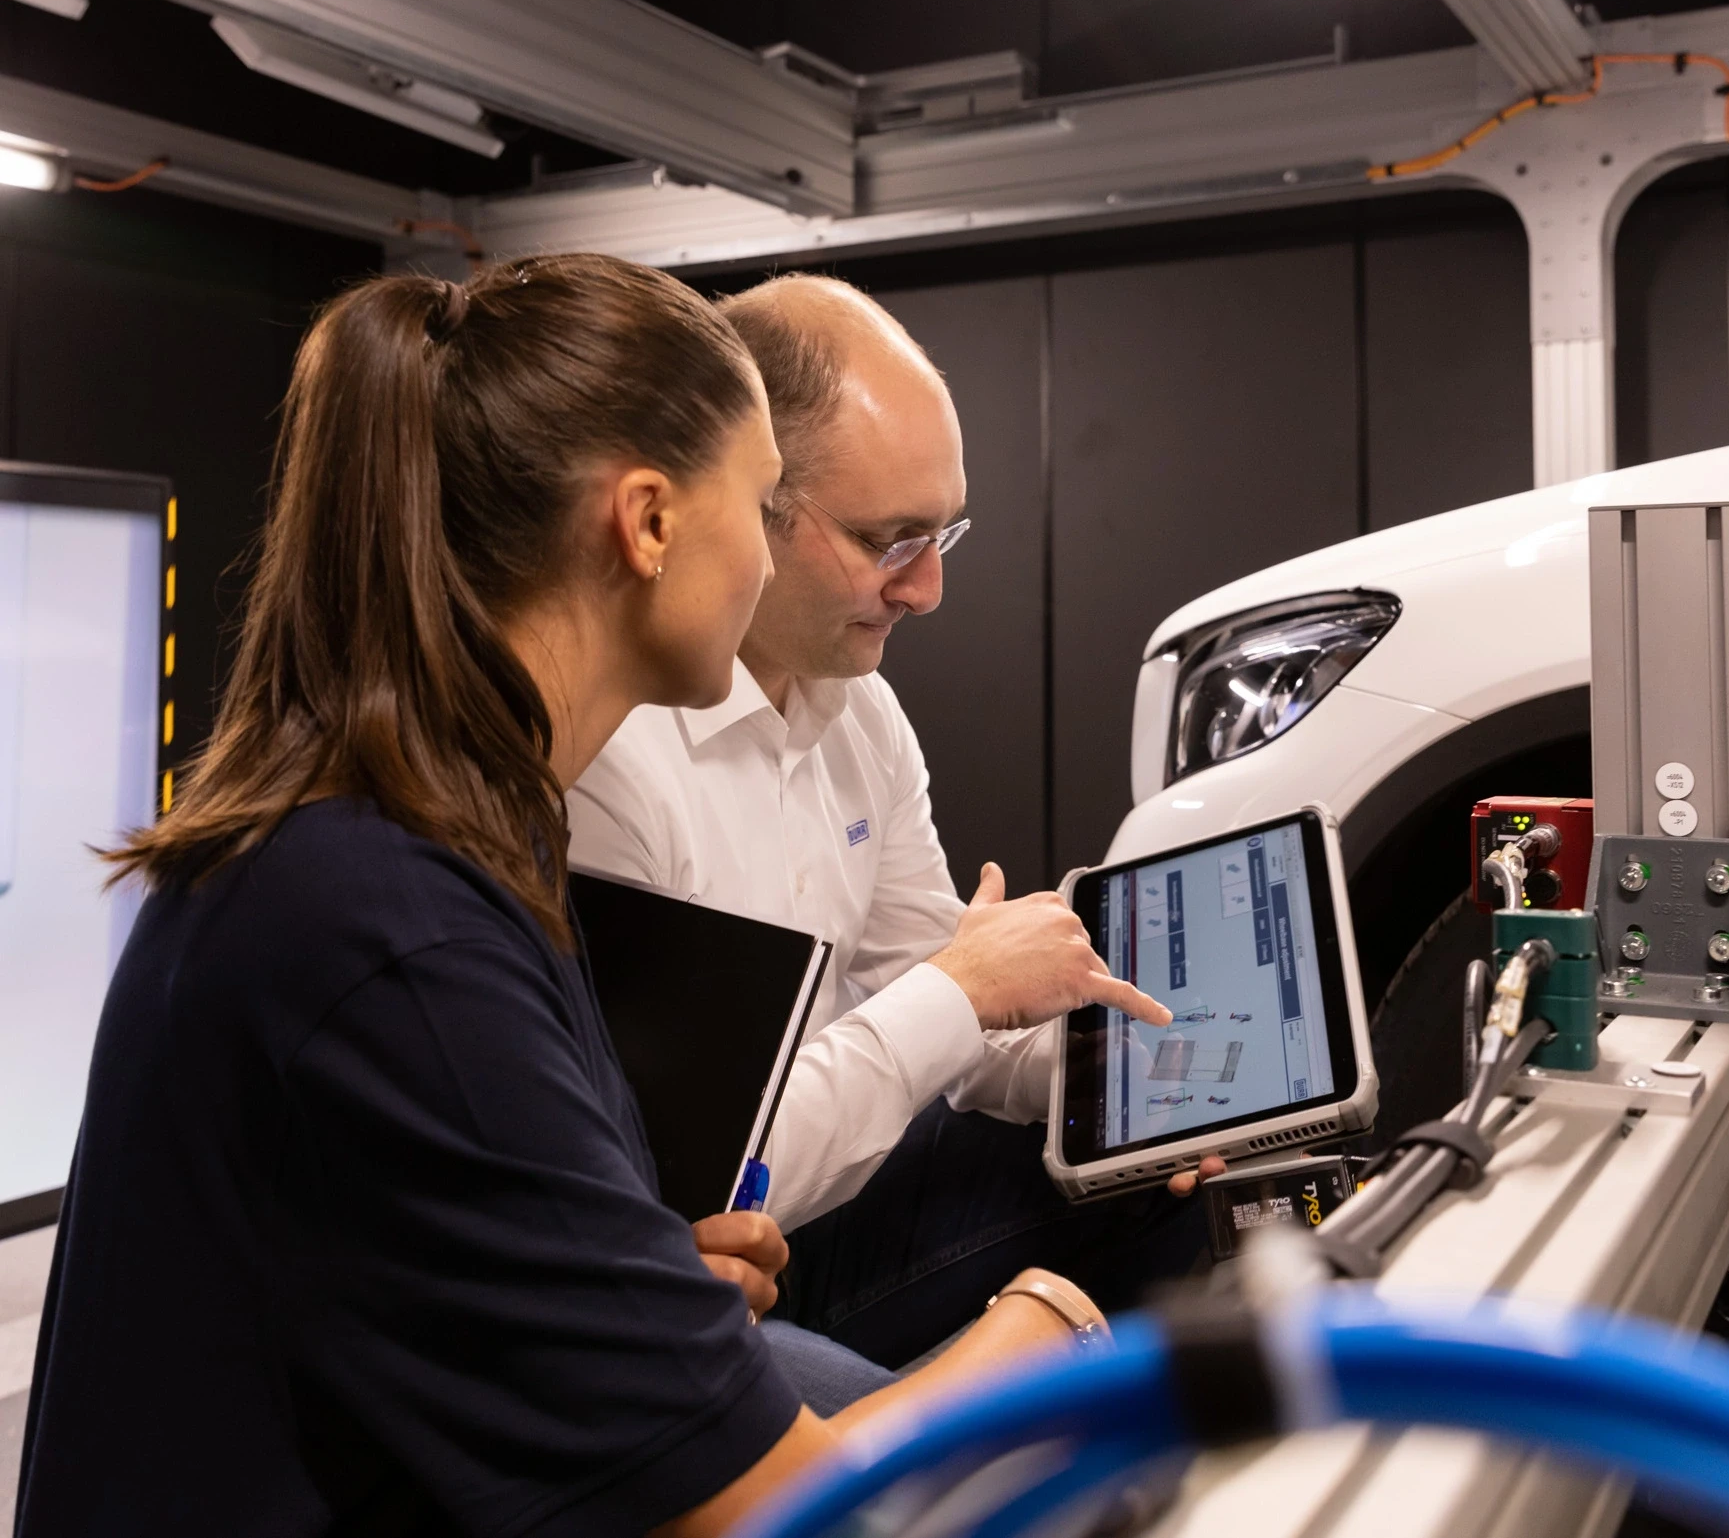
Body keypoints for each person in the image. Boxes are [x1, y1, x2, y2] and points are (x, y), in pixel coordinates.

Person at [16, 256, 1123, 1538]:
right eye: (758, 505)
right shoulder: (397, 933)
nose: (765, 567)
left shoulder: (415, 849)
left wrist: (630, 1271)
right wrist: (1050, 1324)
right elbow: (792, 1517)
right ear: (649, 522)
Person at [569, 275, 1216, 1370]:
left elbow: (954, 1028)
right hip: (705, 1260)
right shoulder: (611, 756)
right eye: (888, 540)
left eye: (944, 534)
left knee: (1147, 1180)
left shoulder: (854, 704)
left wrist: (1134, 1076)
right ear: (740, 497)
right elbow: (698, 1184)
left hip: (822, 1216)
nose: (927, 589)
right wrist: (962, 988)